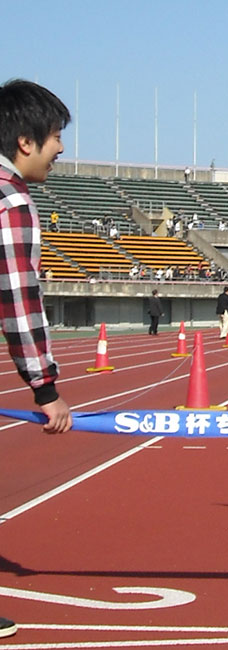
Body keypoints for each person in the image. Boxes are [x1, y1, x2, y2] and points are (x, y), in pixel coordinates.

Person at [0, 78, 75, 640]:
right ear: (24, 141)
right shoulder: (11, 201)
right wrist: (45, 388)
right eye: (55, 137)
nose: (61, 149)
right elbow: (19, 299)